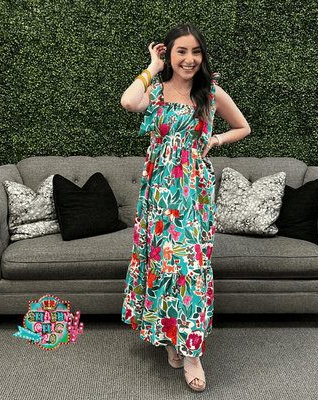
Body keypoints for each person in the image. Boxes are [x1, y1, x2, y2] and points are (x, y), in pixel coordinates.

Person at [121, 23, 250, 392]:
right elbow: (128, 102)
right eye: (181, 51)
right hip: (158, 193)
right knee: (162, 265)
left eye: (196, 51)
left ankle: (192, 353)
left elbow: (243, 127)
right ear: (170, 54)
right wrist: (152, 66)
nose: (189, 59)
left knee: (190, 268)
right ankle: (170, 337)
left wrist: (217, 139)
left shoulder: (210, 93)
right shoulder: (156, 91)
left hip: (194, 192)